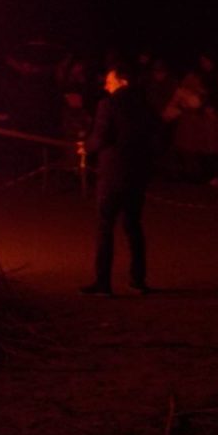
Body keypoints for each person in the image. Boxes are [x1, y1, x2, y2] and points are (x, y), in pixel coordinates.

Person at [79, 59, 158, 296]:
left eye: (110, 81)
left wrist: (87, 147)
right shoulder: (146, 105)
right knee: (133, 226)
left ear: (123, 81)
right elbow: (156, 137)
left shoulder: (109, 104)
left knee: (105, 226)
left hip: (113, 174)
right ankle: (138, 280)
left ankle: (103, 283)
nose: (106, 85)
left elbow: (101, 137)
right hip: (137, 174)